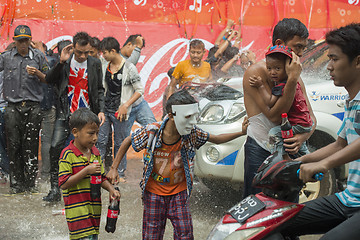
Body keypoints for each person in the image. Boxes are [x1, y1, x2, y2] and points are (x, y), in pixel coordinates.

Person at [107, 89, 248, 239]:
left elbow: (216, 138)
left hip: (179, 194)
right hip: (154, 194)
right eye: (188, 117)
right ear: (171, 116)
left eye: (194, 116)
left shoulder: (191, 133)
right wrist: (114, 168)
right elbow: (128, 140)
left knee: (185, 234)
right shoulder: (152, 132)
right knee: (151, 235)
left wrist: (241, 131)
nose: (192, 121)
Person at [281, 23, 360, 240]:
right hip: (349, 198)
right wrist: (298, 162)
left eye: (334, 59)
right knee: (279, 223)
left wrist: (324, 165)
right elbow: (340, 144)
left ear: (358, 61)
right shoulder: (352, 100)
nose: (329, 66)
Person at [242, 18, 316, 199]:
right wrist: (291, 81)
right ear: (279, 44)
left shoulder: (293, 74)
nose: (300, 53)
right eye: (297, 47)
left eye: (303, 48)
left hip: (289, 151)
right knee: (257, 210)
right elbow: (275, 117)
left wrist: (303, 136)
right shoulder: (257, 72)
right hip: (260, 149)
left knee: (287, 207)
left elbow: (311, 118)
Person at [43, 31, 105, 202]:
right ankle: (55, 188)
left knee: (89, 149)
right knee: (55, 147)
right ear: (73, 47)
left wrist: (100, 110)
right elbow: (48, 80)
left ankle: (90, 187)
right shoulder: (64, 61)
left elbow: (99, 89)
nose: (83, 56)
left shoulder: (95, 64)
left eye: (87, 52)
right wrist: (61, 62)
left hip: (87, 115)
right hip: (65, 113)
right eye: (79, 52)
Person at [58, 107, 120, 240]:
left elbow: (101, 177)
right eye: (91, 133)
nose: (95, 138)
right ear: (75, 132)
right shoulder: (67, 154)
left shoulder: (95, 153)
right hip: (78, 215)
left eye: (97, 133)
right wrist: (86, 170)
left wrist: (111, 190)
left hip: (94, 213)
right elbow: (63, 183)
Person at [0, 25, 48, 194]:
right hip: (12, 107)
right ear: (14, 41)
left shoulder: (38, 56)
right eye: (19, 40)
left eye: (25, 40)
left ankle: (30, 184)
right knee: (13, 145)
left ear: (30, 41)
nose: (22, 44)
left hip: (33, 107)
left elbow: (48, 79)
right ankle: (16, 184)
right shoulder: (5, 58)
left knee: (31, 145)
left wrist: (37, 73)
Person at [249, 45, 313, 159]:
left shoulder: (285, 84)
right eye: (269, 69)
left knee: (274, 133)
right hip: (305, 123)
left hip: (297, 124)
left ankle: (279, 159)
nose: (272, 72)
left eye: (277, 69)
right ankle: (309, 160)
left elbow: (270, 102)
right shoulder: (294, 82)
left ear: (288, 68)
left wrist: (261, 86)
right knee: (300, 147)